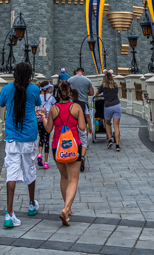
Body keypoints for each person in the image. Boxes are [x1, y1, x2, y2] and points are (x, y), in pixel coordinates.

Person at [0, 62, 41, 228]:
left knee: (12, 173)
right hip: (29, 136)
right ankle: (31, 204)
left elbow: (1, 104)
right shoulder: (34, 89)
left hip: (12, 138)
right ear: (30, 75)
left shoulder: (7, 89)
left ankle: (9, 214)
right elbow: (37, 103)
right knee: (30, 169)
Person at [43, 80, 86, 226]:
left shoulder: (54, 109)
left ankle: (68, 207)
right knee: (73, 180)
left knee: (64, 177)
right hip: (74, 145)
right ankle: (66, 208)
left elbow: (49, 129)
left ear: (59, 94)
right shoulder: (76, 107)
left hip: (58, 146)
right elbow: (82, 128)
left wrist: (43, 118)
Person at [95, 70, 121, 150]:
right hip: (117, 105)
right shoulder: (115, 85)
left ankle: (109, 140)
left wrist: (99, 95)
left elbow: (96, 94)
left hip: (108, 106)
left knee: (107, 124)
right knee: (116, 126)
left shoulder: (103, 85)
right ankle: (117, 145)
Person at [70, 88, 91, 172]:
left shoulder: (70, 104)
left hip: (72, 126)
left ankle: (74, 157)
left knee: (73, 141)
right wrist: (90, 126)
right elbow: (87, 116)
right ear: (79, 96)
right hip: (81, 125)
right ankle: (82, 156)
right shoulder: (83, 104)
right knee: (83, 142)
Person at [37, 81, 56, 169]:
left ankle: (39, 154)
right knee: (47, 139)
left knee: (41, 137)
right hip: (48, 119)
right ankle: (45, 162)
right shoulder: (51, 98)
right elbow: (54, 107)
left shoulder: (38, 97)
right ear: (48, 88)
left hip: (39, 118)